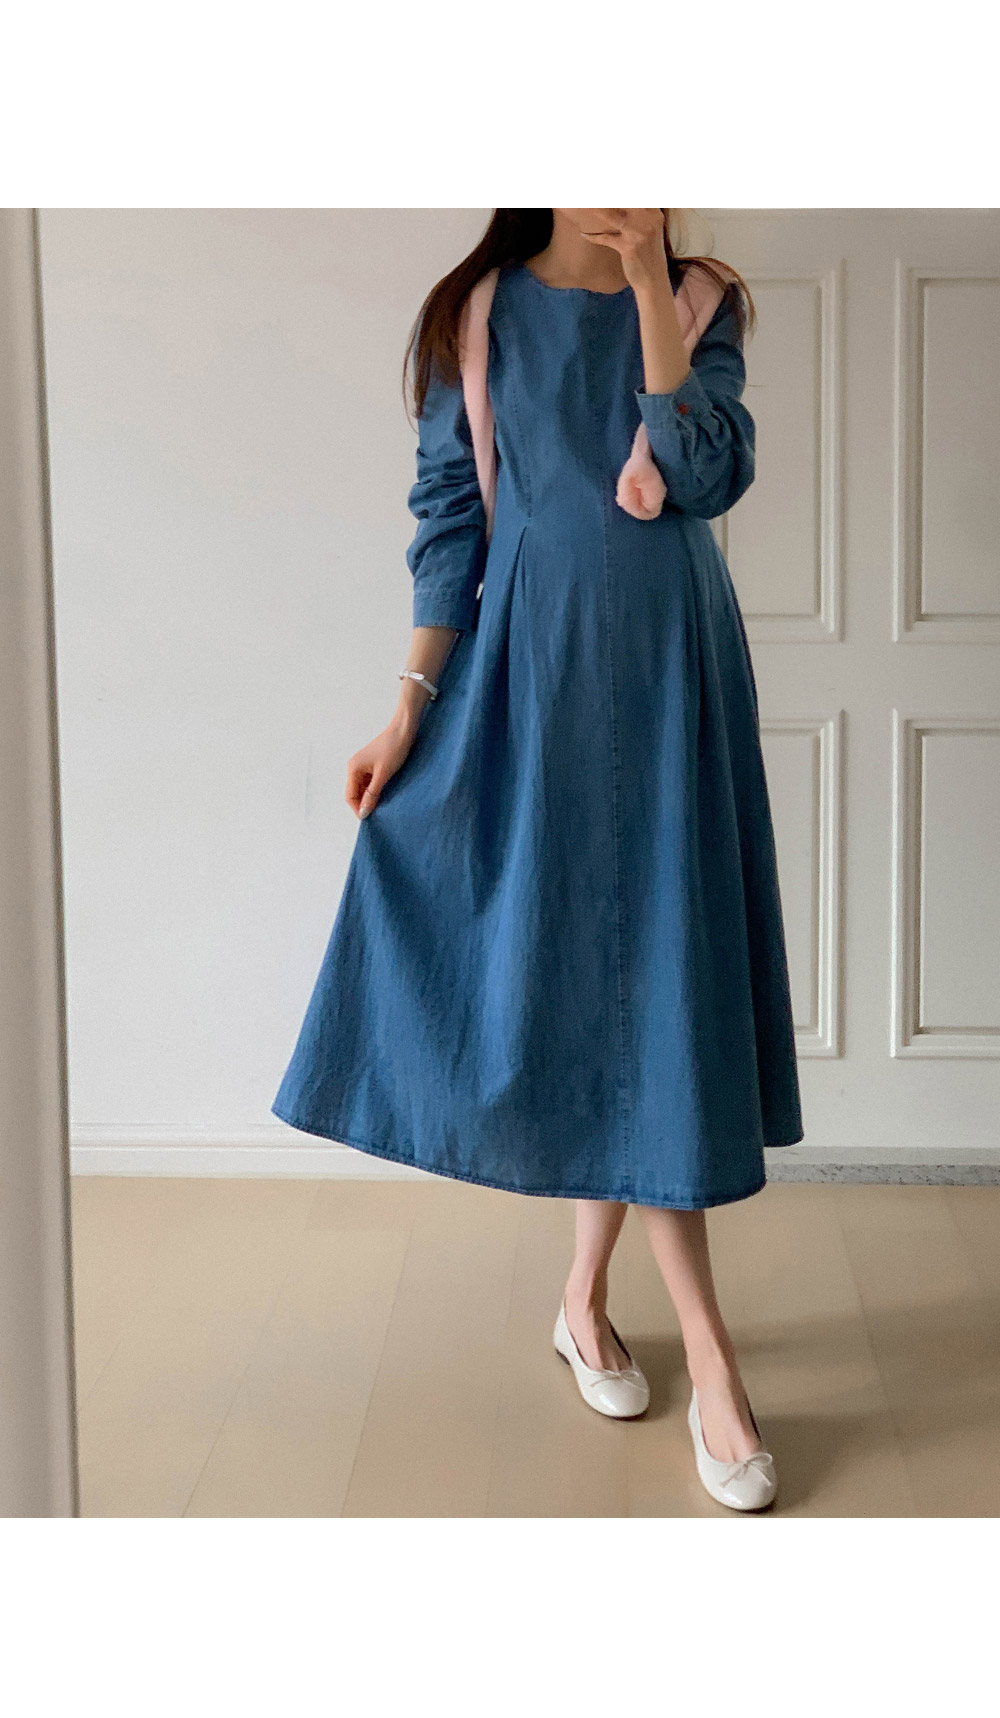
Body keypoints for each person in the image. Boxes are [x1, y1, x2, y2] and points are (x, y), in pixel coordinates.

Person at [272, 209, 804, 1512]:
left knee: (649, 993)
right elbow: (452, 520)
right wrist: (408, 710)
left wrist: (648, 291)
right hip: (534, 681)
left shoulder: (699, 296)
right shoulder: (476, 315)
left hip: (672, 680)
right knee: (591, 988)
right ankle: (666, 1340)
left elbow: (702, 473)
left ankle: (622, 1316)